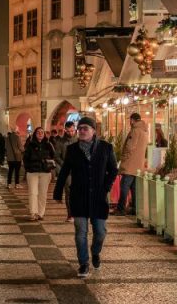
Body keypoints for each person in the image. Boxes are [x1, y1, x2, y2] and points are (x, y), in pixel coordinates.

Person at [53, 117, 117, 279]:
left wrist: (106, 187)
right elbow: (65, 171)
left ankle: (95, 252)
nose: (81, 131)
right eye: (79, 128)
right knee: (80, 232)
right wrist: (58, 192)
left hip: (98, 197)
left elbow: (113, 170)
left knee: (100, 232)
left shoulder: (106, 148)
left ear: (93, 131)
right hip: (79, 197)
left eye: (85, 128)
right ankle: (83, 263)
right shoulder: (72, 149)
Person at [117, 112, 149, 215]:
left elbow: (129, 147)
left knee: (124, 186)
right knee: (134, 188)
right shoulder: (144, 131)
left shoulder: (135, 131)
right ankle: (135, 208)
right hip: (138, 164)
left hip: (130, 164)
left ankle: (121, 209)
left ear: (132, 120)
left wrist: (124, 158)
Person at [24, 127, 56, 221]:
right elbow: (25, 158)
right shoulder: (30, 144)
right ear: (35, 134)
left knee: (43, 193)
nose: (40, 134)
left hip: (45, 172)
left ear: (44, 134)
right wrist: (28, 168)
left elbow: (53, 155)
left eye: (42, 132)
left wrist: (49, 165)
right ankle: (33, 213)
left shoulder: (48, 144)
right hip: (32, 172)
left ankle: (40, 213)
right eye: (38, 132)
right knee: (33, 193)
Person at [54, 121, 77, 222]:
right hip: (67, 172)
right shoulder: (60, 142)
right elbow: (57, 156)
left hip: (79, 170)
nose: (70, 133)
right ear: (65, 130)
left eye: (72, 131)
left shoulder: (79, 140)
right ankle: (70, 214)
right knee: (69, 192)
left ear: (75, 129)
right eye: (68, 131)